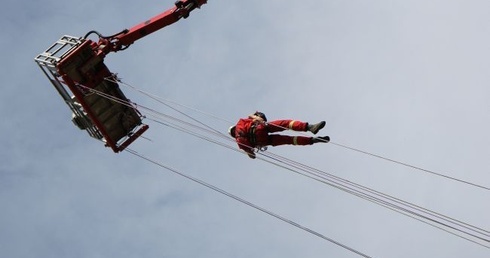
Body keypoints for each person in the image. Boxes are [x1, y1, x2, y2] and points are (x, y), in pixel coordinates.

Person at [228, 111, 330, 159]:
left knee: (290, 140)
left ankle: (313, 140)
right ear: (233, 127)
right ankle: (310, 127)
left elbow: (252, 155)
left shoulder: (239, 142)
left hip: (264, 141)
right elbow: (255, 118)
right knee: (286, 124)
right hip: (260, 128)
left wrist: (251, 151)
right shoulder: (240, 122)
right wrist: (260, 119)